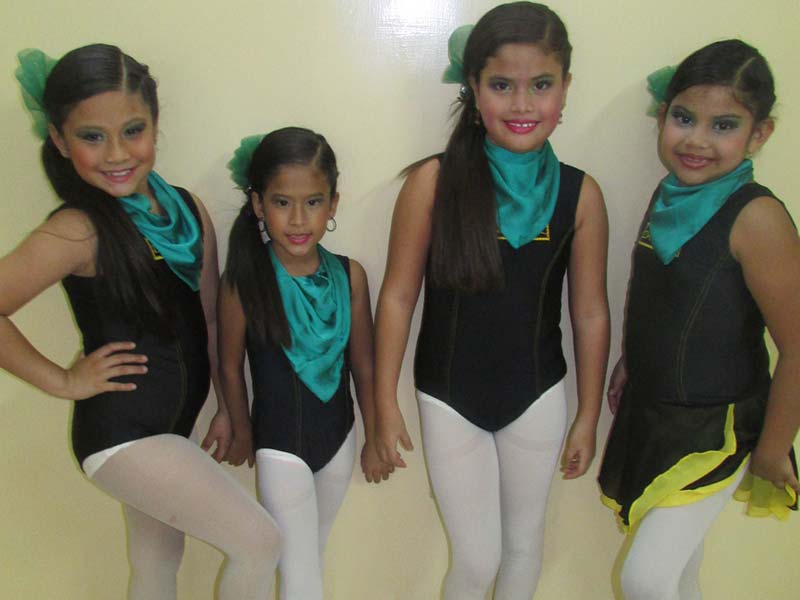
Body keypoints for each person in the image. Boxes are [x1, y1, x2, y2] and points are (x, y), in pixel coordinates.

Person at [2, 44, 281, 600]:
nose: (116, 154)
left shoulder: (187, 211)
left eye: (133, 131)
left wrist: (227, 407)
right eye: (92, 136)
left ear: (155, 123)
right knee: (259, 542)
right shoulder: (79, 229)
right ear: (59, 139)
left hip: (172, 426)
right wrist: (63, 380)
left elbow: (207, 322)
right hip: (121, 433)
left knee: (156, 564)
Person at [373, 3, 610, 598]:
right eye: (502, 85)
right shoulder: (433, 182)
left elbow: (589, 313)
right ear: (474, 88)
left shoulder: (581, 195)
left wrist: (587, 413)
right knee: (477, 559)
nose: (522, 104)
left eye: (541, 85)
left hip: (538, 392)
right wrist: (382, 399)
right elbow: (398, 296)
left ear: (565, 88)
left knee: (524, 547)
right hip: (449, 396)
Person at [598, 39, 800, 600]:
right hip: (656, 411)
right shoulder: (668, 197)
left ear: (759, 134)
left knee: (644, 578)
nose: (696, 140)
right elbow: (657, 290)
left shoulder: (757, 218)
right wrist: (632, 358)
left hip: (718, 426)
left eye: (724, 125)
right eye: (684, 118)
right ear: (663, 115)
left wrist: (774, 447)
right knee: (680, 570)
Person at [219, 127, 391, 600]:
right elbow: (229, 366)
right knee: (299, 572)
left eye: (313, 202)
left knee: (311, 553)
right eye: (282, 202)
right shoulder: (244, 280)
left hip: (339, 439)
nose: (298, 219)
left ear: (333, 203)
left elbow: (364, 366)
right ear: (258, 204)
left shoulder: (351, 276)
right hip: (279, 444)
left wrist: (375, 434)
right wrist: (241, 429)